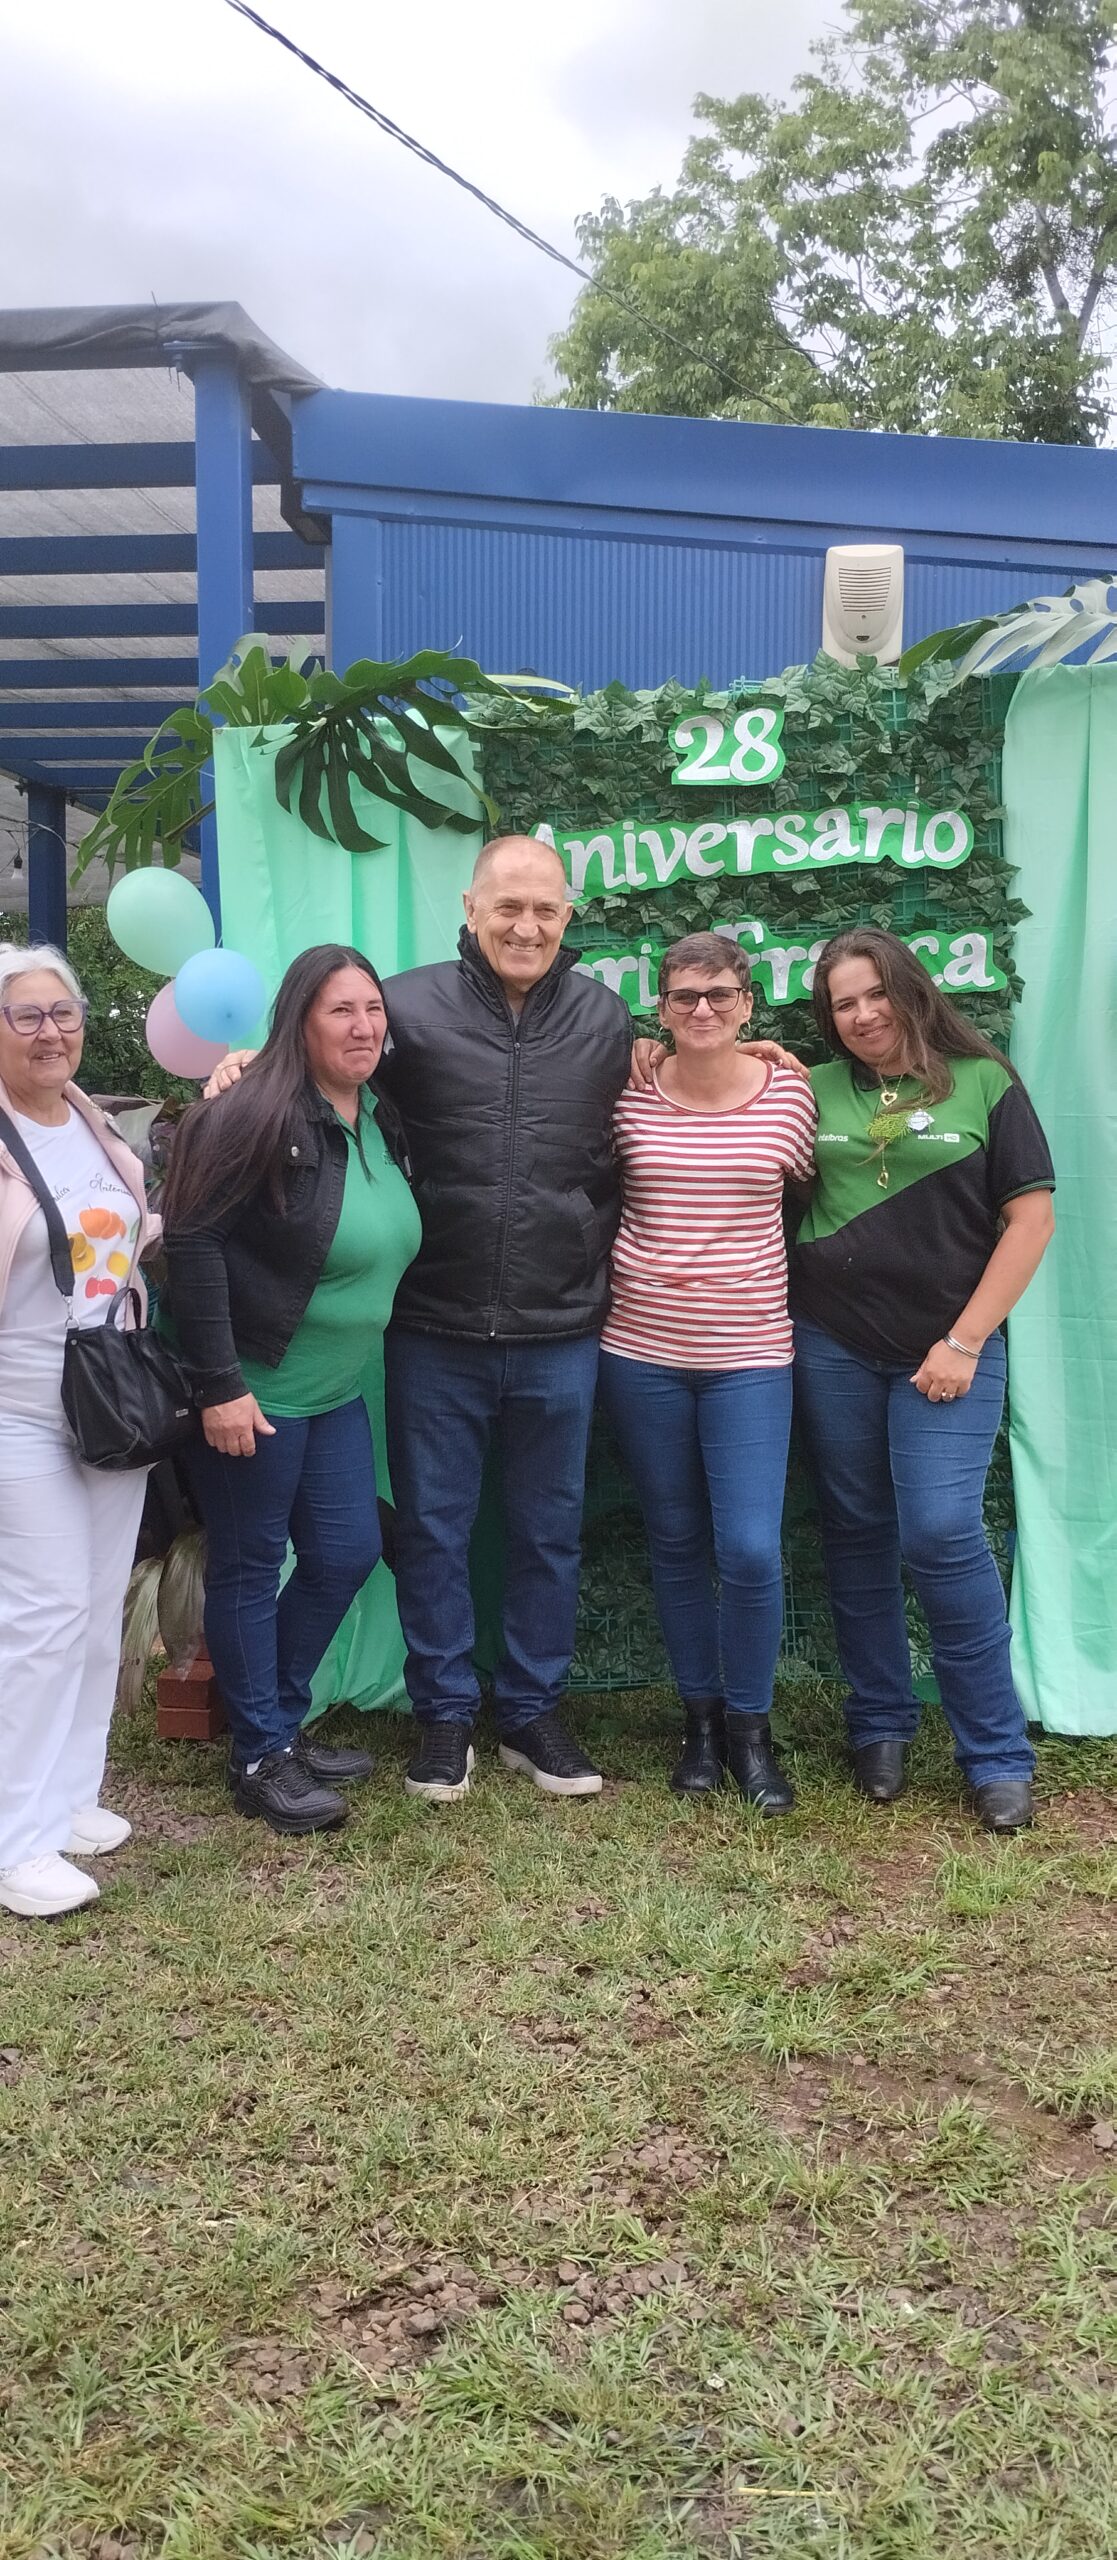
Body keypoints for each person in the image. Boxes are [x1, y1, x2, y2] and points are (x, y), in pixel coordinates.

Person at [789, 928, 1055, 1834]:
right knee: (857, 1531)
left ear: (911, 990)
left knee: (941, 1533)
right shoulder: (810, 1088)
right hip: (830, 1345)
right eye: (842, 1004)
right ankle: (878, 1725)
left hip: (948, 1352)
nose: (861, 1016)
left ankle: (994, 1753)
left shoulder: (986, 1082)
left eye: (875, 994)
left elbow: (1029, 1222)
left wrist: (964, 1340)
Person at [161, 947, 420, 1836]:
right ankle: (261, 1755)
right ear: (297, 1021)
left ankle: (275, 1716)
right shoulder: (254, 1113)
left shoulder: (381, 1115)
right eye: (338, 1011)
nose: (362, 1026)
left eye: (372, 1009)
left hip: (335, 1391)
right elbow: (189, 1244)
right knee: (246, 1562)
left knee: (347, 1552)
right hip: (256, 1391)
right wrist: (219, 1387)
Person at [599, 935, 817, 1810]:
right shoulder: (627, 1092)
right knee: (676, 1545)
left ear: (748, 1004)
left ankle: (750, 1733)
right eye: (684, 995)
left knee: (753, 1551)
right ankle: (697, 1724)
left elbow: (803, 1194)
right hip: (640, 1353)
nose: (701, 1009)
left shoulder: (788, 1093)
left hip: (751, 1357)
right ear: (659, 1004)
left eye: (719, 995)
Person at [0, 944, 158, 1920]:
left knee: (99, 1608)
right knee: (46, 1615)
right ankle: (16, 1839)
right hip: (19, 1397)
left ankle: (69, 1796)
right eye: (26, 1016)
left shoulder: (93, 1122)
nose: (50, 1031)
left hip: (109, 1385)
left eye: (62, 1013)